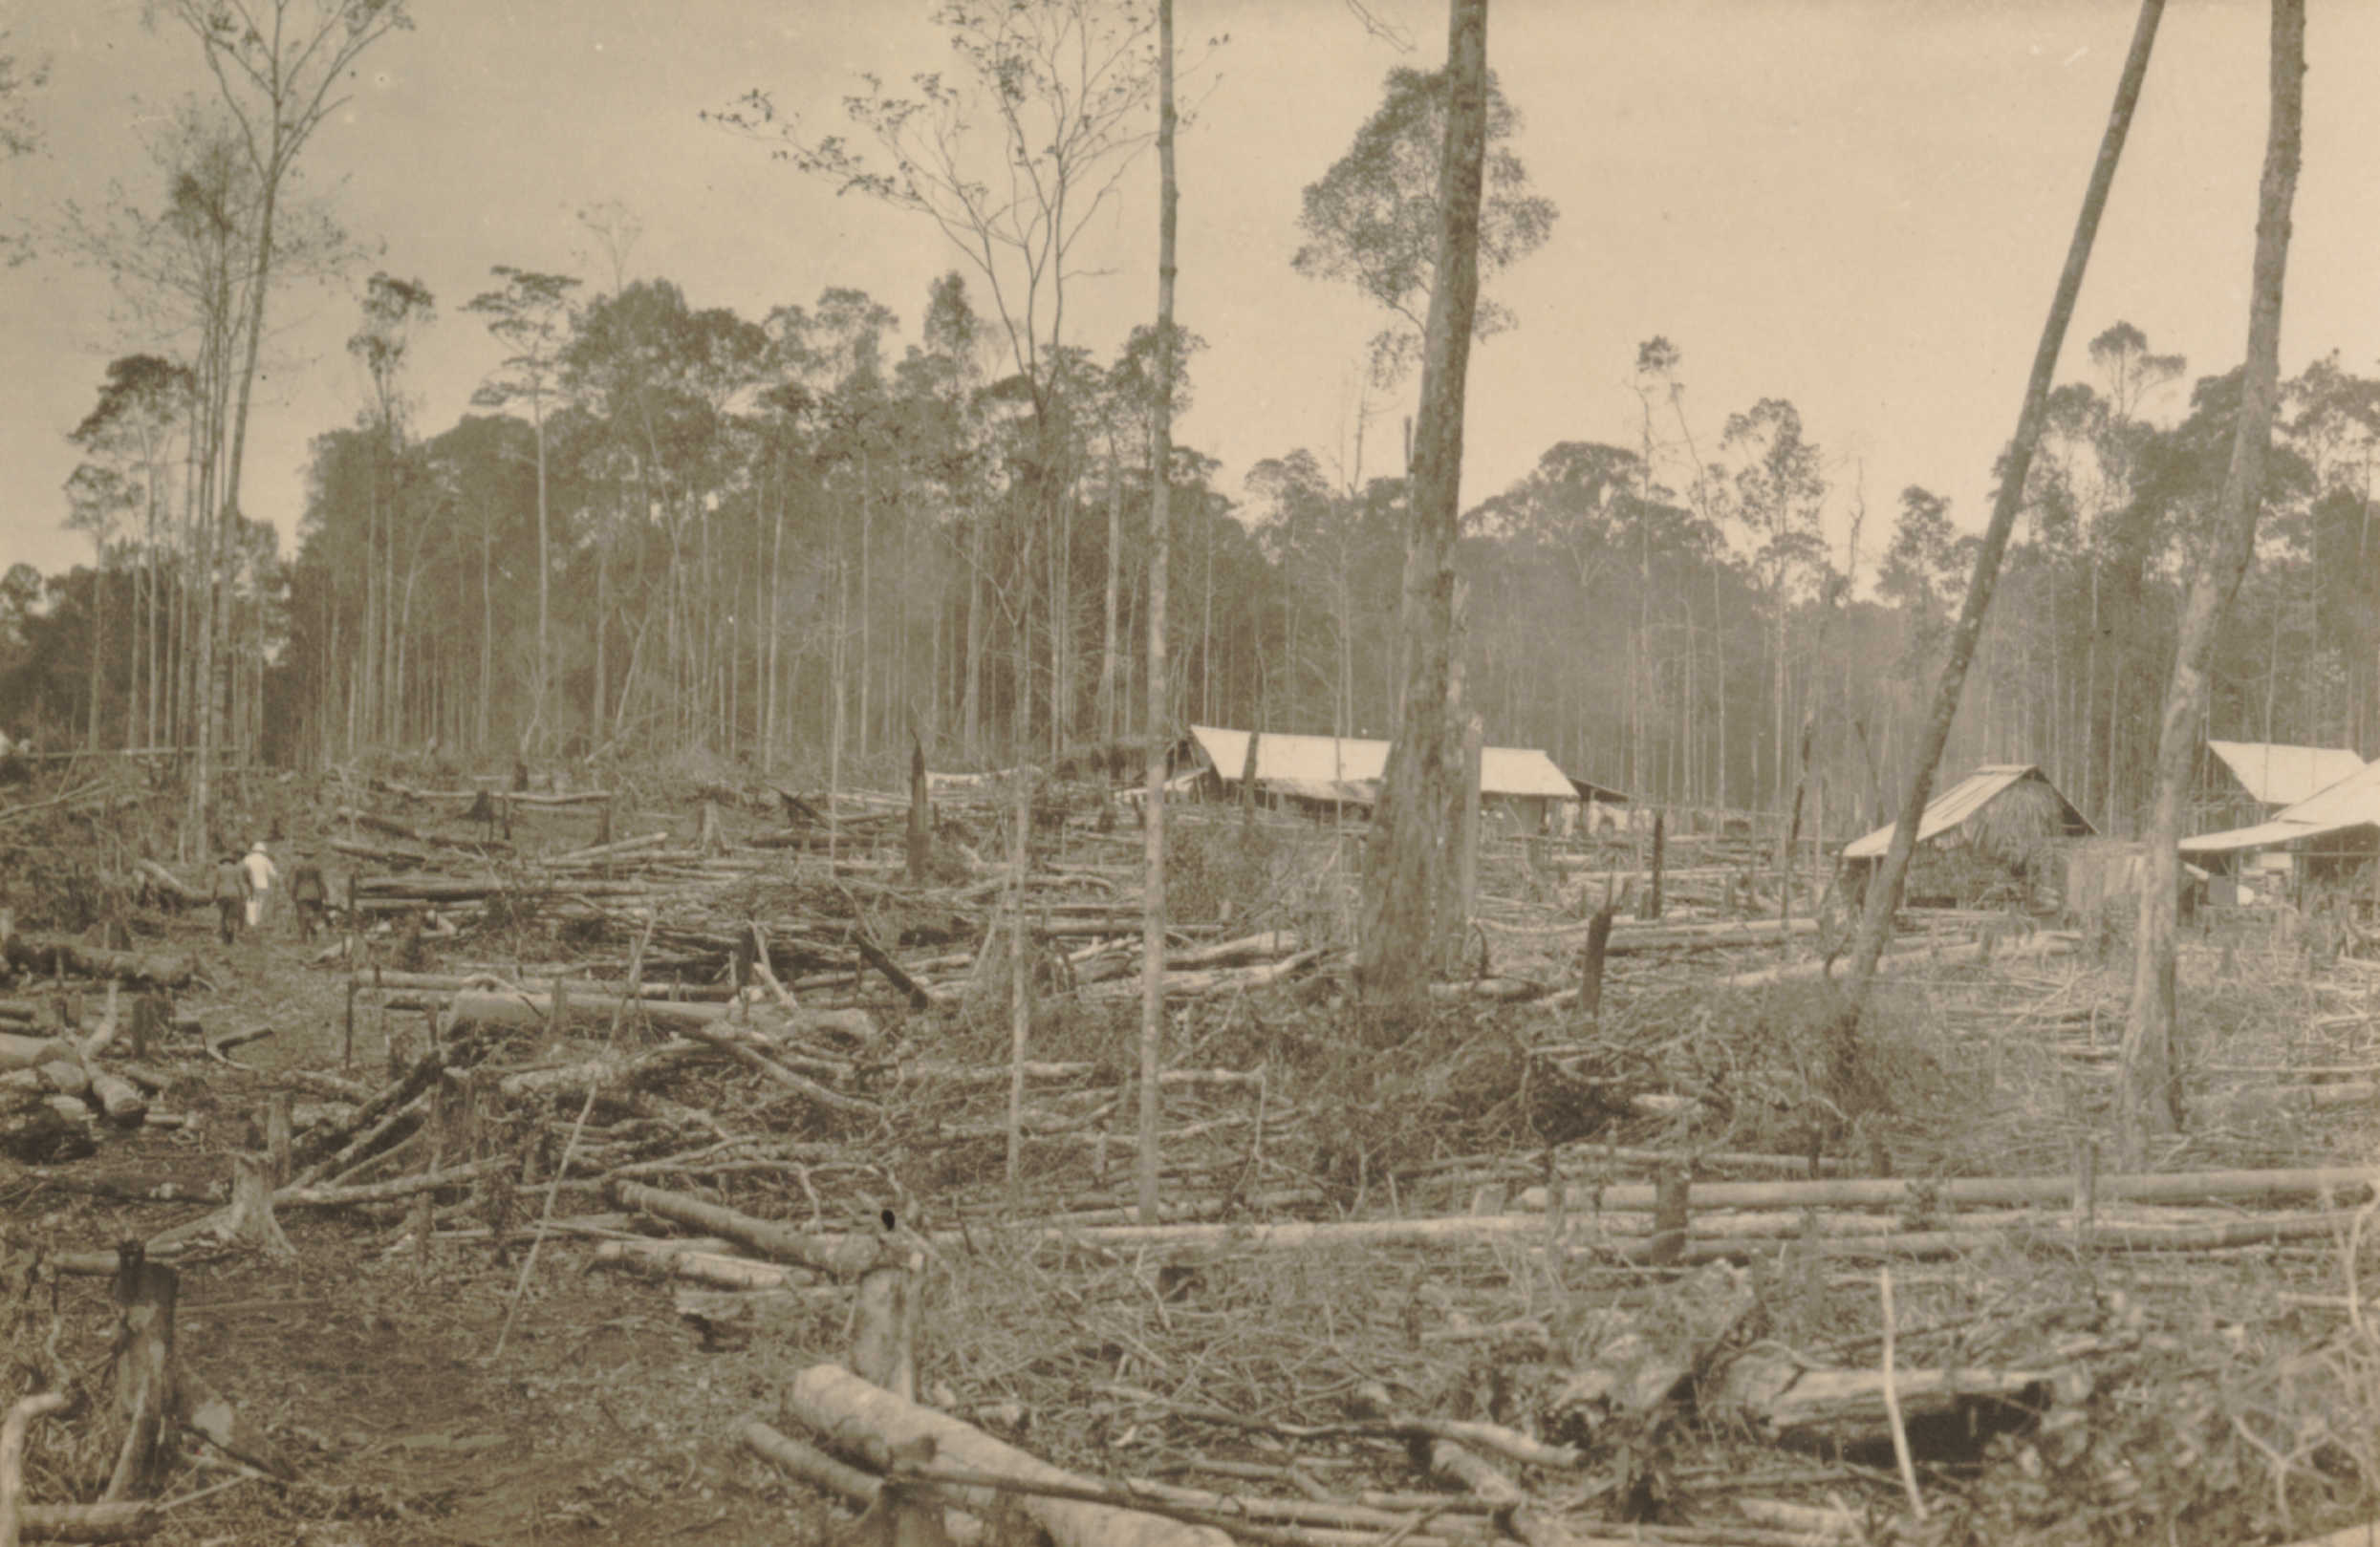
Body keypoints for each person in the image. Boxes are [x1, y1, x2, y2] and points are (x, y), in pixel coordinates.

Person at [239, 840, 280, 934]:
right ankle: (257, 921)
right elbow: (273, 874)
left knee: (250, 902)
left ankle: (251, 922)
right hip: (262, 885)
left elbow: (241, 871)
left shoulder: (247, 859)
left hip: (249, 884)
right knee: (260, 903)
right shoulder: (265, 860)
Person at [290, 854, 328, 942]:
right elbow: (321, 881)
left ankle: (304, 939)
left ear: (303, 855)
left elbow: (295, 882)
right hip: (315, 894)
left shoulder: (299, 866)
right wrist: (325, 894)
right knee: (315, 916)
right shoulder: (316, 866)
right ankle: (314, 937)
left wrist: (293, 894)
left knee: (303, 916)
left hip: (302, 893)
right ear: (312, 855)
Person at [212, 852, 248, 944]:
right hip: (234, 895)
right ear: (232, 861)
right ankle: (232, 937)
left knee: (223, 916)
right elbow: (240, 884)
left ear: (223, 861)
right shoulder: (236, 870)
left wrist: (212, 897)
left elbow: (215, 884)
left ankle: (224, 939)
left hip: (221, 895)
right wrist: (243, 897)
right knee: (232, 917)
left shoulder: (219, 869)